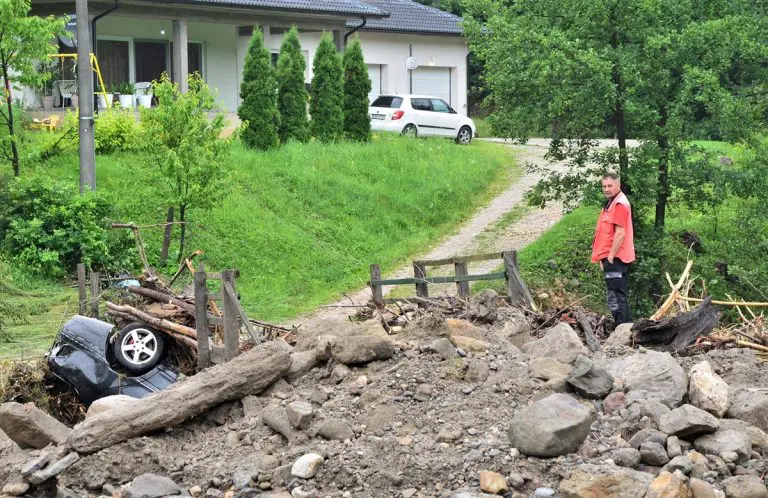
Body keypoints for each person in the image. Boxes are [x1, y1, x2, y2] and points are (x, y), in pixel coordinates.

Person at [591, 172, 635, 325]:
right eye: (604, 186)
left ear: (618, 186)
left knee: (616, 296)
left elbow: (620, 234)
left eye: (610, 186)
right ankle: (625, 329)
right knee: (615, 295)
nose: (606, 189)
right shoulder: (611, 203)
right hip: (611, 257)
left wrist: (609, 257)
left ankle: (622, 329)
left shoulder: (620, 205)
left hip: (616, 258)